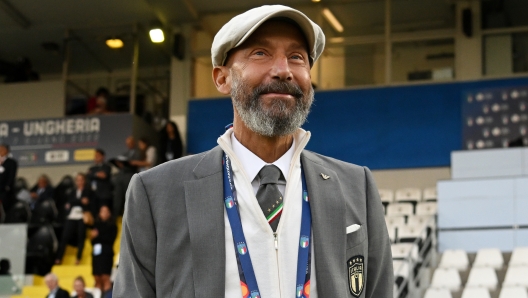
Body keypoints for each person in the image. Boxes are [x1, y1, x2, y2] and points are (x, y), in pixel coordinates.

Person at [114, 5, 392, 298]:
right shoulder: (156, 193)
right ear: (222, 78)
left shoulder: (356, 185)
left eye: (297, 57)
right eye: (260, 53)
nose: (283, 70)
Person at [55, 173, 94, 265]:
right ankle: (59, 258)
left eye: (81, 180)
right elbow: (68, 204)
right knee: (65, 237)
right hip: (72, 216)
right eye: (78, 180)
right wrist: (80, 201)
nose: (79, 182)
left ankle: (78, 258)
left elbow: (89, 203)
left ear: (84, 181)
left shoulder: (89, 191)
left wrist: (75, 202)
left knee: (81, 237)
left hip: (82, 216)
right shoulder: (72, 191)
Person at [90, 205, 117, 295]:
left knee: (105, 277)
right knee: (97, 278)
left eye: (106, 211)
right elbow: (93, 240)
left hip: (106, 254)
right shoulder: (96, 224)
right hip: (96, 254)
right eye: (102, 211)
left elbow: (109, 239)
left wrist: (98, 235)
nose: (104, 213)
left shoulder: (113, 226)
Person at [111, 136, 139, 216]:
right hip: (121, 176)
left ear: (134, 143)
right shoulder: (124, 153)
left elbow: (139, 163)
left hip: (130, 175)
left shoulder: (138, 153)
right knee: (117, 199)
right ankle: (116, 217)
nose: (129, 145)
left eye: (130, 143)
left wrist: (130, 163)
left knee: (129, 198)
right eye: (127, 143)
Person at [0, 143, 18, 213]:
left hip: (5, 192)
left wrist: (7, 187)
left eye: (1, 149)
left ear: (6, 151)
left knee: (6, 208)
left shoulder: (11, 162)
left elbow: (11, 176)